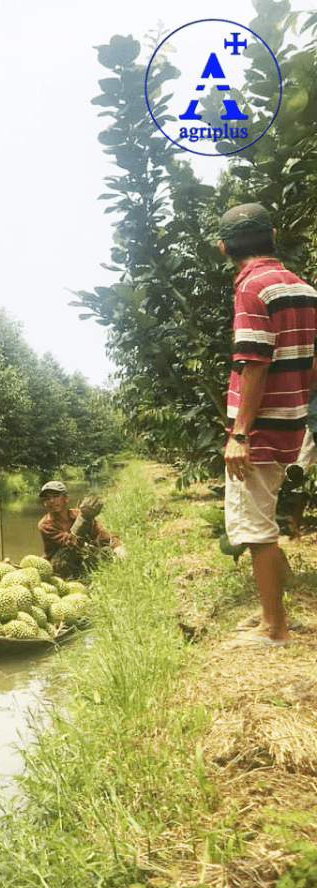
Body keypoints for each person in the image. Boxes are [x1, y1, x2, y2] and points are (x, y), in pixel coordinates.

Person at [219, 202, 317, 648]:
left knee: (256, 528)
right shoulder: (303, 288)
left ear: (224, 247)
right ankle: (270, 613)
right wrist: (296, 399)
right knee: (263, 518)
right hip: (290, 421)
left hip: (259, 426)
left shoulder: (251, 288)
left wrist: (240, 433)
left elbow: (254, 362)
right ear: (273, 235)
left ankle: (274, 628)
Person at [36, 480, 122, 578]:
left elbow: (101, 533)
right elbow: (71, 544)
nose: (51, 501)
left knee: (106, 550)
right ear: (45, 503)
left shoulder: (77, 514)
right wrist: (83, 519)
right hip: (60, 563)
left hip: (81, 556)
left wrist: (117, 546)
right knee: (67, 554)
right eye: (47, 498)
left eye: (56, 496)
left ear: (66, 499)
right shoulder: (45, 524)